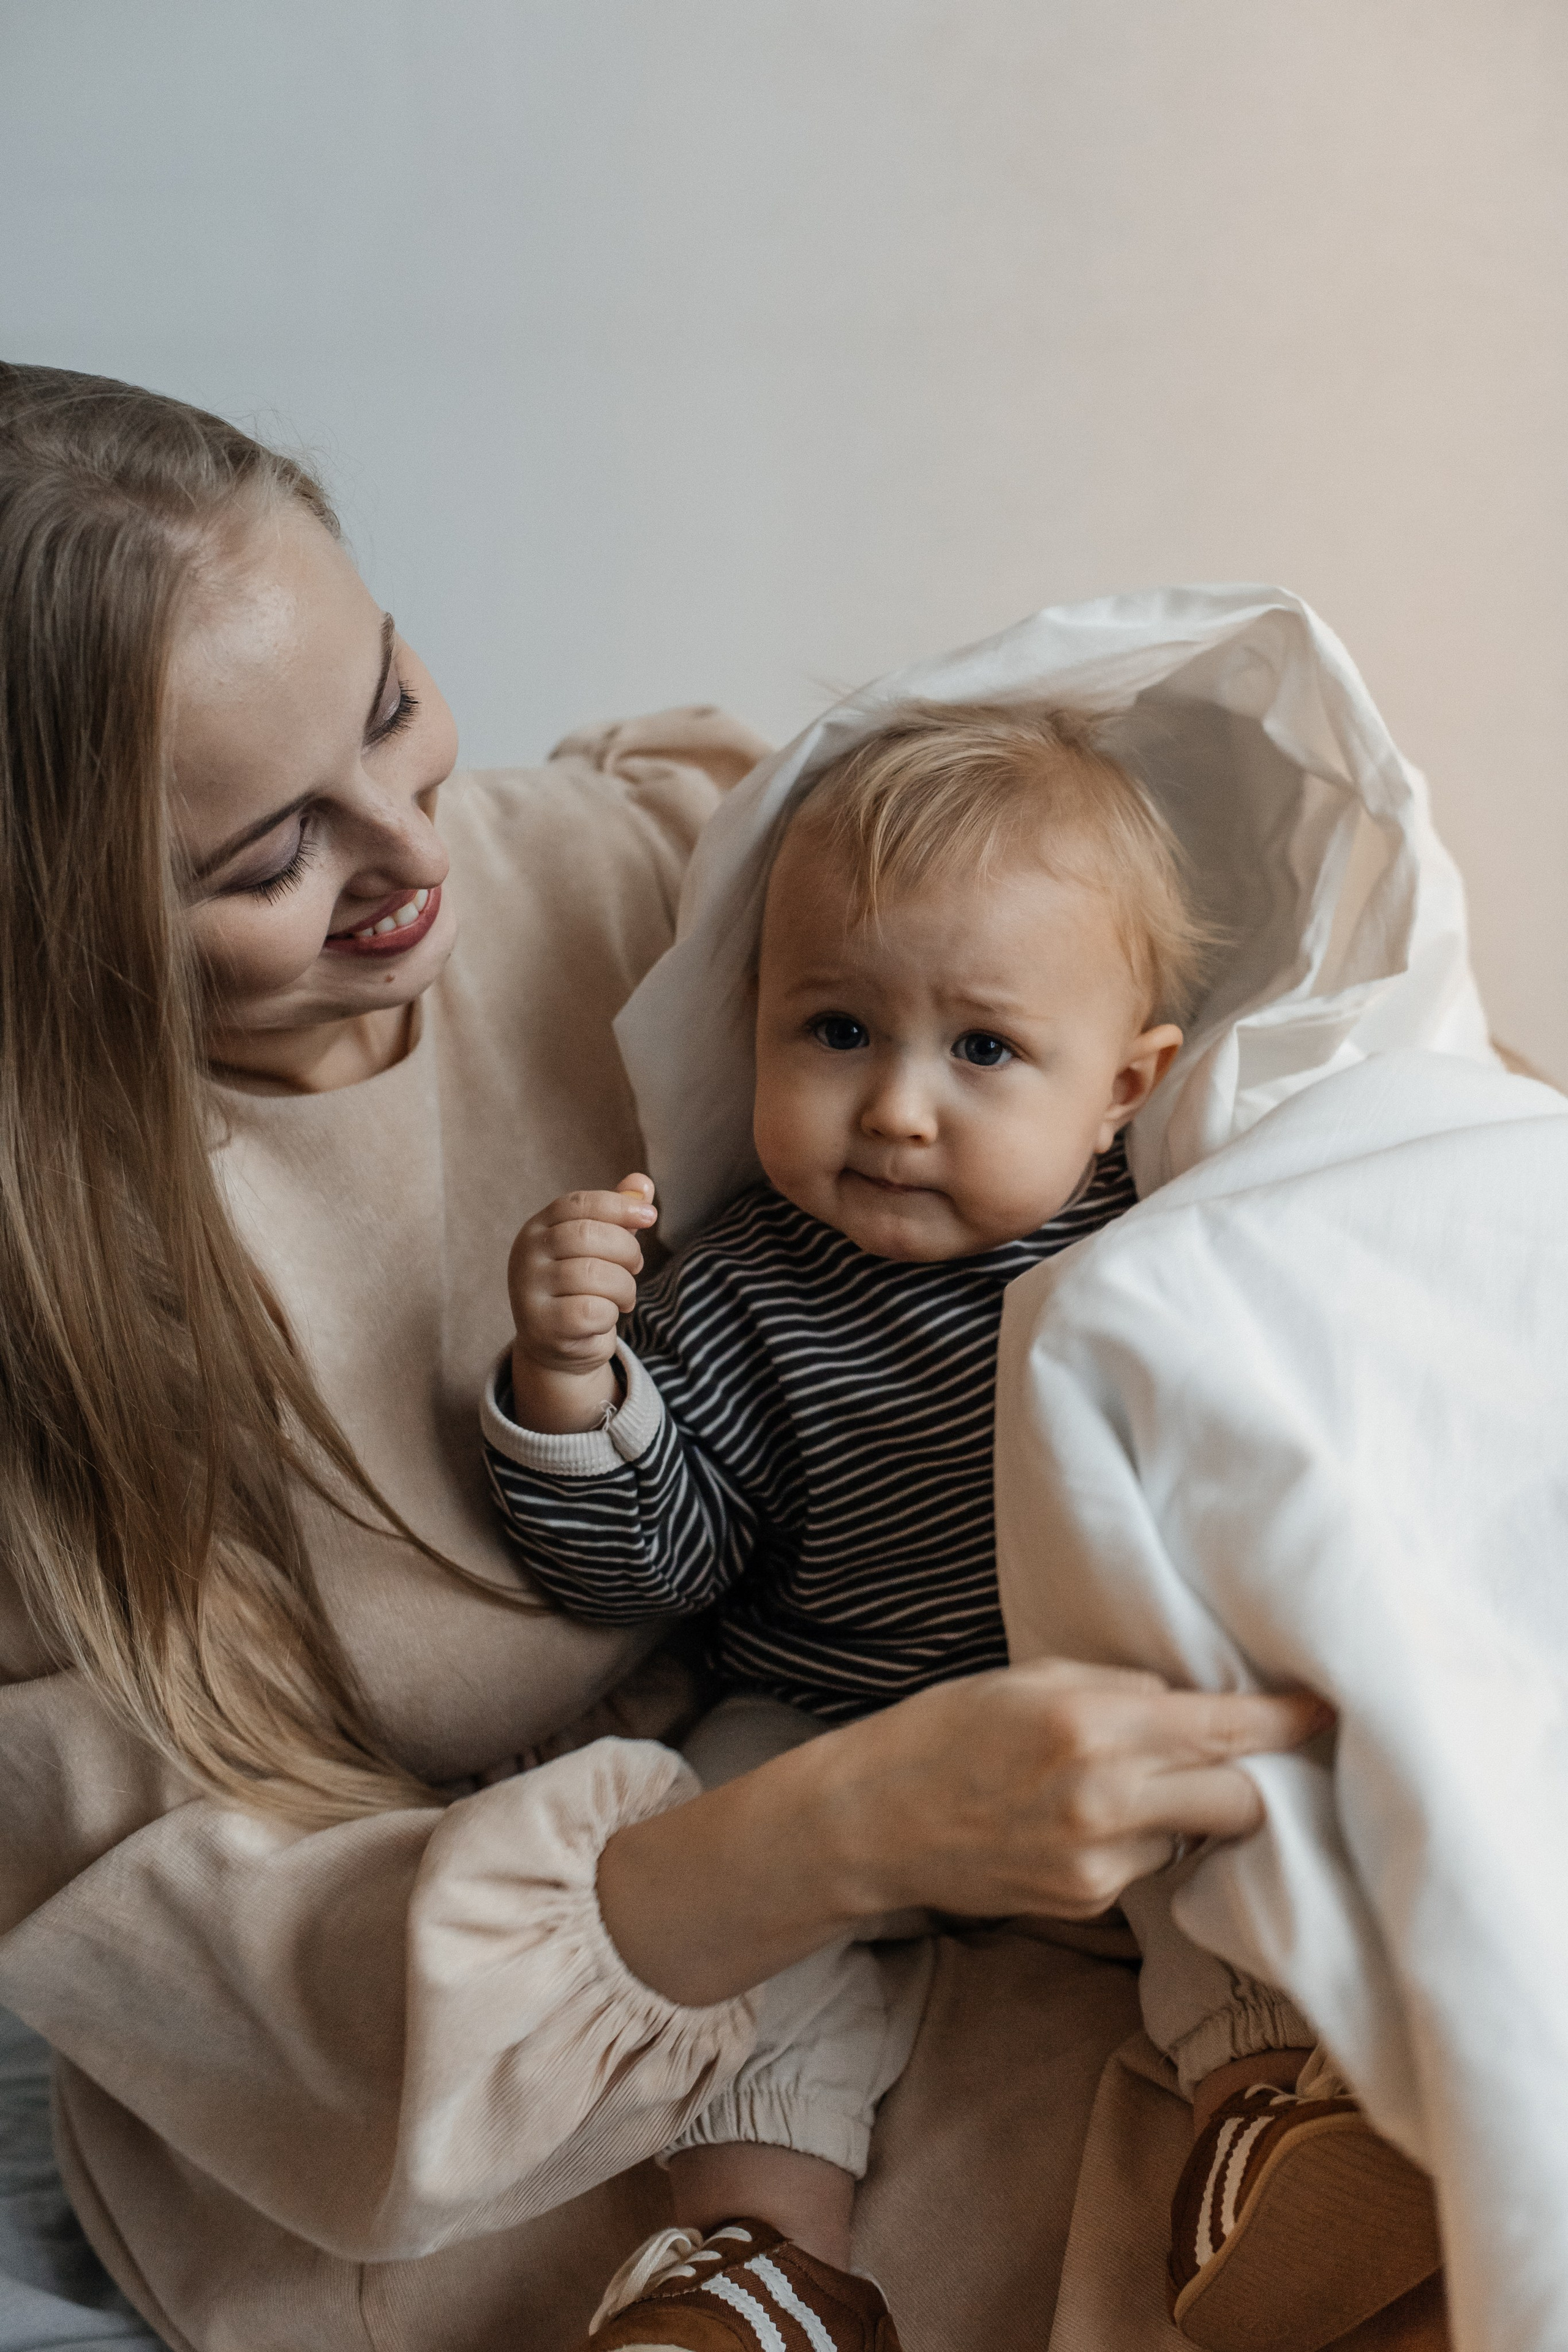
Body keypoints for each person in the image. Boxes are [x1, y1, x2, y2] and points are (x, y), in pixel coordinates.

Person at [0, 363, 1328, 2352]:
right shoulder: (64, 1316)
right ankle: (745, 2278)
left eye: (389, 704)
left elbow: (1164, 1018)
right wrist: (847, 1821)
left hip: (1000, 1808)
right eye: (267, 860)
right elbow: (217, 1974)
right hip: (481, 2058)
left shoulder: (689, 873)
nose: (405, 849)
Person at [486, 706, 1436, 2352]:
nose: (901, 1108)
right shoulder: (734, 1289)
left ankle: (1272, 2125)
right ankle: (756, 2264)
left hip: (1097, 1702)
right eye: (838, 1030)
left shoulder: (1160, 1252)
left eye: (984, 1051)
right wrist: (576, 1388)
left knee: (1258, 1810)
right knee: (712, 1879)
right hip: (828, 1715)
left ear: (1124, 1084)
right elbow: (654, 1565)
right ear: (754, 1028)